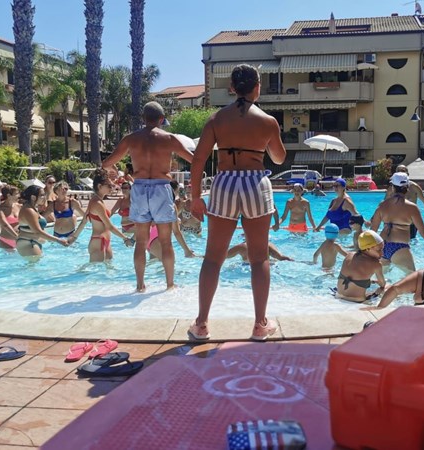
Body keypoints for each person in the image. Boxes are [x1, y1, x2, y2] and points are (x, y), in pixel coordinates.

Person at [188, 64, 287, 341]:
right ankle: (260, 325)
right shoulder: (267, 121)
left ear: (232, 88)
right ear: (257, 87)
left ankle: (202, 324)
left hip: (225, 183)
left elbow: (198, 159)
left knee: (213, 258)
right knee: (259, 257)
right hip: (256, 184)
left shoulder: (216, 119)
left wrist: (195, 196)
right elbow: (279, 158)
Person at [102, 101, 193, 292]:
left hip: (140, 188)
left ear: (143, 119)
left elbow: (106, 163)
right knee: (166, 241)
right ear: (161, 119)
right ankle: (170, 284)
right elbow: (194, 159)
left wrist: (115, 171)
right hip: (161, 188)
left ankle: (140, 285)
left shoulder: (131, 139)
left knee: (141, 241)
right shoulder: (169, 138)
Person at [370, 172, 424, 273]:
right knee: (412, 278)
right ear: (407, 188)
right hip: (400, 247)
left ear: (393, 187)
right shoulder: (412, 208)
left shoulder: (382, 205)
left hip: (382, 246)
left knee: (382, 279)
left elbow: (373, 231)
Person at [71, 170, 133, 262]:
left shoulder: (96, 200)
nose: (112, 187)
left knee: (108, 269)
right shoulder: (97, 203)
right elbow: (110, 226)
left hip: (103, 241)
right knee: (95, 270)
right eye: (109, 186)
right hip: (99, 241)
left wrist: (74, 237)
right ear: (100, 186)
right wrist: (125, 238)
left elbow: (84, 221)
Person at [16, 185, 69, 259]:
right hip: (28, 243)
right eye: (42, 195)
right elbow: (38, 231)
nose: (44, 197)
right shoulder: (29, 211)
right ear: (33, 197)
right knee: (34, 265)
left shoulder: (33, 209)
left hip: (32, 242)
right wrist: (58, 240)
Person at [335, 230, 386, 302]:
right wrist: (381, 286)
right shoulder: (376, 264)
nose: (382, 253)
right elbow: (382, 284)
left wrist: (372, 281)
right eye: (379, 250)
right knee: (386, 288)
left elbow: (356, 276)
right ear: (368, 248)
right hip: (357, 300)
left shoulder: (349, 255)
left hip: (339, 295)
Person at [0, 185, 21, 250]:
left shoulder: (19, 206)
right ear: (9, 195)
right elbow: (5, 225)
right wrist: (17, 237)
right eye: (16, 194)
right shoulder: (0, 209)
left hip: (19, 240)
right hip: (6, 241)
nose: (19, 196)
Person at [227, 240, 293, 262]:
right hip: (267, 268)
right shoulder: (268, 244)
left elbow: (224, 256)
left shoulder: (242, 247)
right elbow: (281, 257)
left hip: (247, 269)